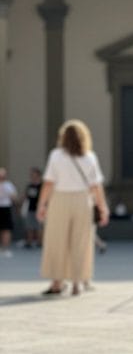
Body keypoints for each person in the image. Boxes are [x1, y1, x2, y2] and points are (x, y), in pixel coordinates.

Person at [37, 119, 109, 295]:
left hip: (60, 199)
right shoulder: (90, 157)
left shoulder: (56, 155)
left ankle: (57, 282)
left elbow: (48, 183)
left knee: (56, 241)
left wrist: (42, 204)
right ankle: (77, 283)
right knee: (81, 242)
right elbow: (96, 186)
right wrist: (103, 207)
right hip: (83, 200)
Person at [21, 167, 43, 248]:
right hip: (30, 208)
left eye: (34, 175)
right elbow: (25, 195)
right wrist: (21, 204)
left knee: (39, 227)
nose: (33, 177)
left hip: (39, 209)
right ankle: (29, 242)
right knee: (29, 226)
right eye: (32, 175)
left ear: (38, 175)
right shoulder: (30, 185)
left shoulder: (42, 186)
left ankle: (39, 242)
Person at [0, 167, 18, 258]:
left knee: (6, 229)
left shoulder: (9, 185)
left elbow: (14, 197)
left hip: (6, 208)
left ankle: (5, 248)